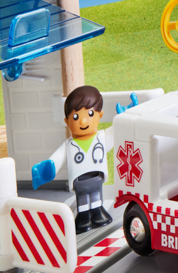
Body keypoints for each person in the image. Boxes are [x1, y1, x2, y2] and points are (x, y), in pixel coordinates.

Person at [32, 85, 116, 233]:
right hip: (79, 181)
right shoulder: (69, 146)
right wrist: (48, 168)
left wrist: (125, 118)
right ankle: (83, 217)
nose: (83, 121)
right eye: (76, 117)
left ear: (100, 115)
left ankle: (98, 212)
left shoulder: (101, 138)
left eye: (90, 113)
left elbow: (117, 131)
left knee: (96, 197)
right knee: (83, 200)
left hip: (96, 178)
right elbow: (57, 159)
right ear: (67, 121)